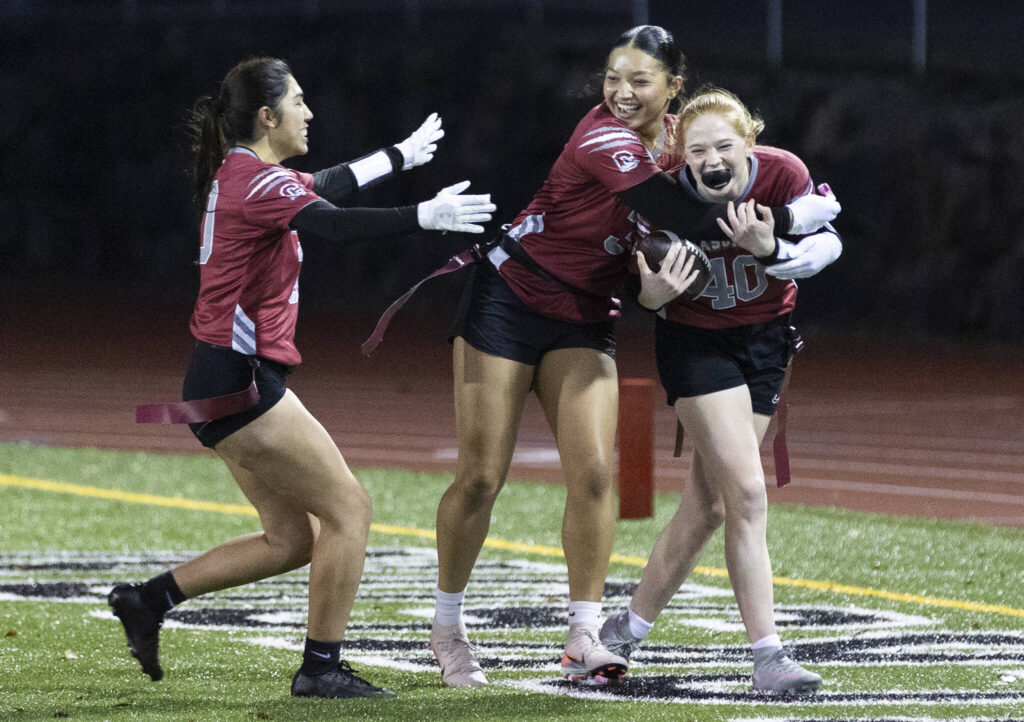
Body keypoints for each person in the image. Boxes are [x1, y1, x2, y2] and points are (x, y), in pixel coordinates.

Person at [428, 28, 841, 688]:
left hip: (588, 313)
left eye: (639, 81)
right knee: (481, 477)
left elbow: (697, 209)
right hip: (511, 300)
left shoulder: (689, 142)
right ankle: (447, 629)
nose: (621, 92)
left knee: (596, 477)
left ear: (673, 87)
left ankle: (586, 638)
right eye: (612, 77)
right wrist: (800, 217)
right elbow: (691, 213)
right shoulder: (605, 139)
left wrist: (650, 289)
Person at [108, 57, 495, 700]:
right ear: (267, 116)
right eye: (298, 101)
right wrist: (423, 215)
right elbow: (332, 221)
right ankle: (320, 668)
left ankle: (150, 600)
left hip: (218, 380)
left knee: (291, 540)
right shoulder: (257, 184)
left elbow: (325, 185)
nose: (309, 112)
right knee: (350, 509)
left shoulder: (246, 175)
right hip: (240, 384)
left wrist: (397, 156)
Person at [599, 87, 841, 694]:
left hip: (765, 346)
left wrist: (773, 247)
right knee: (749, 495)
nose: (712, 158)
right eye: (697, 148)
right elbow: (638, 288)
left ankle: (621, 633)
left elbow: (826, 245)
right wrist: (651, 293)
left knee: (708, 506)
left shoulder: (784, 174)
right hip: (696, 345)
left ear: (749, 144)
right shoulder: (664, 194)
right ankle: (768, 656)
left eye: (724, 146)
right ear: (681, 156)